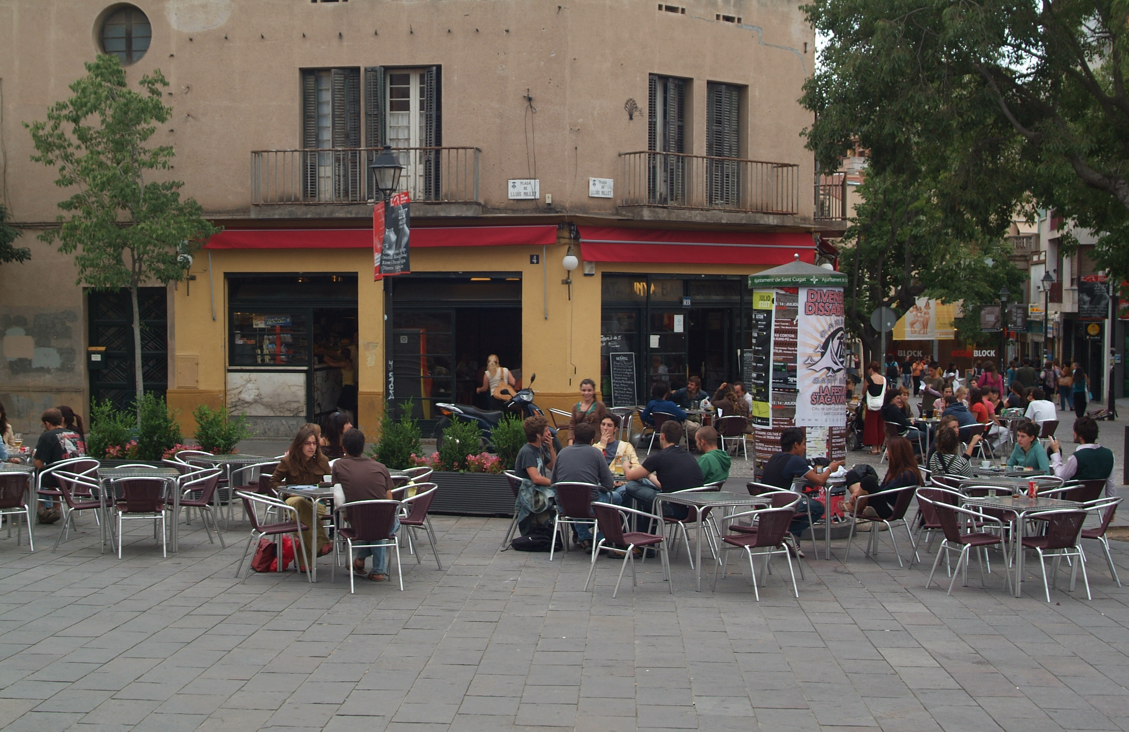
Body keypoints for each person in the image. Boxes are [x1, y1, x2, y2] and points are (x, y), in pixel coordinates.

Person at [761, 427, 843, 553]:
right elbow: (820, 481)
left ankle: (790, 538)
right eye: (804, 444)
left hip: (765, 504)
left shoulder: (775, 457)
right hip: (781, 506)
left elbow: (790, 472)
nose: (805, 448)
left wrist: (811, 472)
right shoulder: (795, 460)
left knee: (800, 502)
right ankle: (788, 534)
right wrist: (830, 469)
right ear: (796, 445)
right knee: (817, 508)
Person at [332, 429, 396, 582]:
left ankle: (361, 559)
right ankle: (377, 570)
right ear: (363, 447)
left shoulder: (338, 466)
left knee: (372, 525)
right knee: (380, 525)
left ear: (344, 448)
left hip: (357, 523)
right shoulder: (381, 467)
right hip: (383, 521)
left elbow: (338, 495)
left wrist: (345, 515)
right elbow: (389, 500)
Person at [270, 426, 333, 570]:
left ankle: (305, 563)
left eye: (314, 443)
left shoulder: (322, 460)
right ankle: (321, 543)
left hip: (316, 501)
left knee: (304, 518)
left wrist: (323, 487)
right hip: (292, 501)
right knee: (299, 502)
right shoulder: (288, 461)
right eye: (307, 444)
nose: (311, 447)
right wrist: (288, 493)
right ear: (300, 445)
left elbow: (331, 482)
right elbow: (273, 482)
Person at [551, 421, 615, 550]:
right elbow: (609, 484)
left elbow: (553, 482)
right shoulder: (596, 454)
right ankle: (601, 538)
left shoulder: (562, 453)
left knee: (575, 498)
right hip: (588, 507)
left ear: (574, 437)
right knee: (616, 498)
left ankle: (584, 538)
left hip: (564, 506)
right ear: (592, 440)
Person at [622, 420, 702, 519]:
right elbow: (666, 486)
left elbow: (630, 476)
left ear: (662, 436)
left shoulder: (659, 457)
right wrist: (650, 476)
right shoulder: (688, 455)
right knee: (647, 484)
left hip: (672, 508)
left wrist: (625, 465)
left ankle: (638, 529)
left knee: (632, 485)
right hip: (693, 509)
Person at [842, 436, 922, 521]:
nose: (886, 453)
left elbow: (886, 493)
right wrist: (859, 492)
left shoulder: (907, 474)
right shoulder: (895, 469)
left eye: (888, 450)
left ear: (897, 453)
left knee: (868, 481)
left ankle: (856, 507)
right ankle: (858, 503)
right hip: (882, 501)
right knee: (851, 474)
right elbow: (882, 488)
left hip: (888, 509)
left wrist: (862, 492)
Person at [33, 408, 85, 524]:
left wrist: (35, 456)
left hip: (58, 479)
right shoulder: (76, 434)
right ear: (61, 420)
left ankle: (41, 510)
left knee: (30, 476)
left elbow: (39, 464)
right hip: (78, 479)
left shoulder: (47, 436)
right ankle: (56, 508)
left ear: (46, 423)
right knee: (56, 470)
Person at [1048, 415, 1116, 498]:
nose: (1073, 433)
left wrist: (1056, 452)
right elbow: (1111, 486)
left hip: (1071, 502)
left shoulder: (1077, 458)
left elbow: (1060, 478)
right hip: (1092, 501)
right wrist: (1110, 509)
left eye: (1074, 431)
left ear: (1080, 437)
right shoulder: (1109, 455)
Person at [595, 413, 641, 486]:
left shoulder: (626, 446)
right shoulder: (595, 447)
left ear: (615, 429)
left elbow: (636, 466)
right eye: (603, 424)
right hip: (601, 483)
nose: (605, 428)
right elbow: (595, 466)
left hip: (621, 482)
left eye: (609, 425)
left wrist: (624, 480)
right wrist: (602, 445)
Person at [323, 340, 357, 417]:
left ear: (343, 356)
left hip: (348, 387)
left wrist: (326, 360)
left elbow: (332, 364)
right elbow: (335, 361)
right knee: (344, 407)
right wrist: (329, 359)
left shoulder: (345, 363)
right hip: (348, 387)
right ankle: (347, 421)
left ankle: (348, 422)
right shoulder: (347, 362)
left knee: (344, 407)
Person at [568, 378, 607, 444]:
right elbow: (572, 425)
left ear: (594, 391)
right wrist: (570, 441)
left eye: (589, 390)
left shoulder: (600, 406)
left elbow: (605, 424)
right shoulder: (575, 406)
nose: (586, 393)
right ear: (580, 391)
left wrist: (603, 440)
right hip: (579, 441)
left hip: (596, 441)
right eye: (584, 390)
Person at [863, 361, 887, 455]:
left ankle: (874, 448)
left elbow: (864, 391)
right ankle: (879, 447)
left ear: (871, 369)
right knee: (880, 426)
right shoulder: (884, 379)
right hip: (881, 404)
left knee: (872, 426)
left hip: (871, 405)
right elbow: (886, 390)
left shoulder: (868, 379)